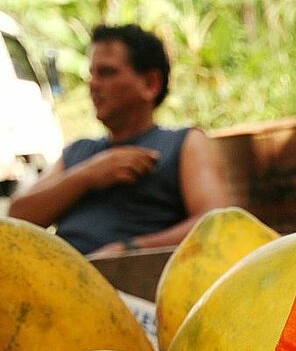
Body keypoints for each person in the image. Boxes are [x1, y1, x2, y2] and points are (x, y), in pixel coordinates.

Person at [8, 23, 232, 257]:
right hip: (59, 278)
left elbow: (216, 221)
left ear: (150, 84)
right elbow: (17, 218)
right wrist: (89, 174)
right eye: (92, 74)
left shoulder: (183, 142)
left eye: (107, 73)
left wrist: (128, 251)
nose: (93, 84)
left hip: (135, 280)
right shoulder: (78, 152)